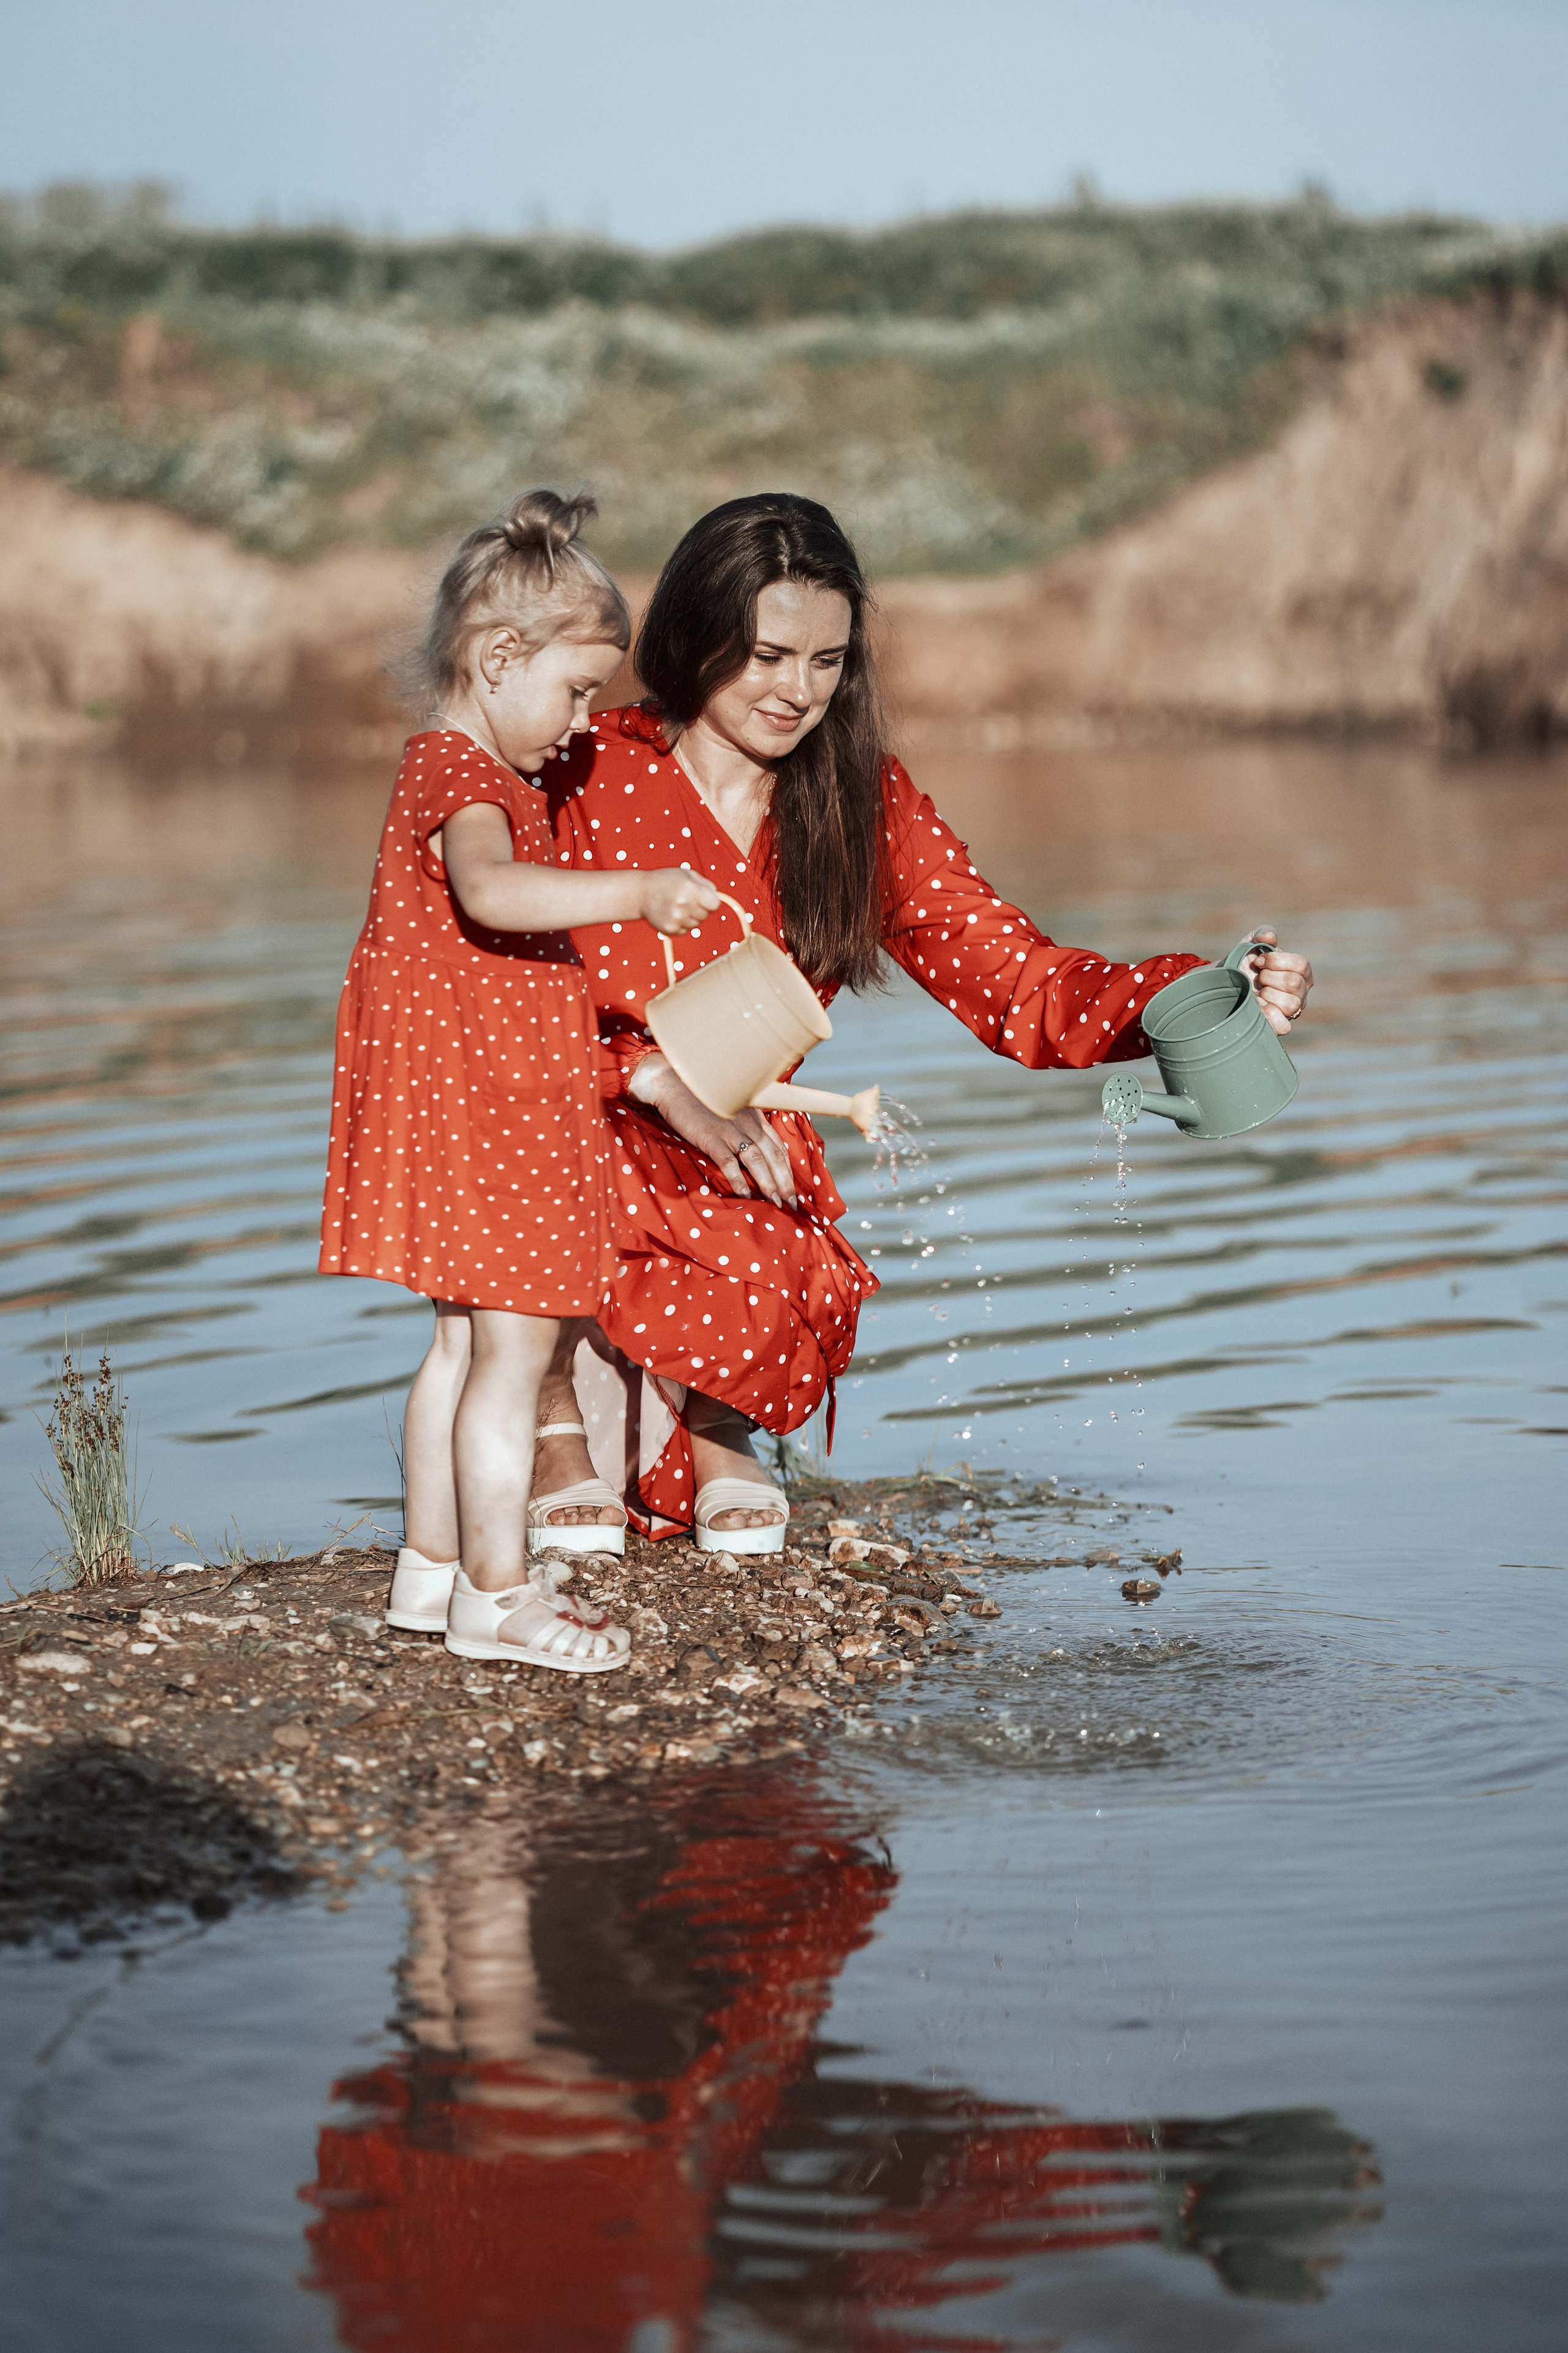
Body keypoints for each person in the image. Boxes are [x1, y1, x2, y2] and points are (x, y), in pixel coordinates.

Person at [535, 493, 1314, 1548]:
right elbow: (493, 985)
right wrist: (647, 1076)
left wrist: (1196, 995)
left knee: (783, 1239)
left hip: (749, 1137)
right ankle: (548, 1412)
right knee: (549, 1145)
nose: (798, 692)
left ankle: (723, 1425)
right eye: (768, 655)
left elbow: (1020, 983)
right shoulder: (581, 770)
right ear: (695, 633)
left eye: (827, 661)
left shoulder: (860, 801)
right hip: (577, 1115)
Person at [318, 489, 720, 1669]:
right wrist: (639, 891)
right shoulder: (467, 779)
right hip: (483, 1109)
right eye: (578, 689)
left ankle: (431, 1571)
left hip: (452, 1101)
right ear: (500, 659)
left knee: (456, 1348)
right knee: (509, 1354)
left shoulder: (451, 765)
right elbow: (493, 896)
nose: (584, 718)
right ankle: (500, 1596)